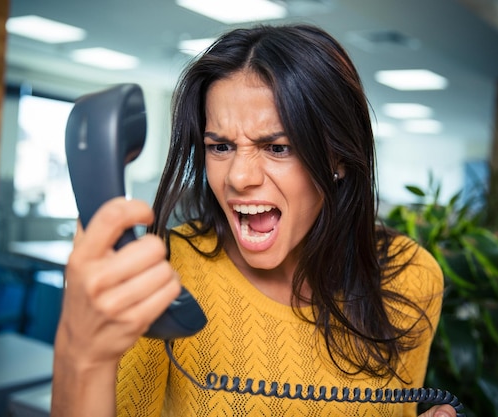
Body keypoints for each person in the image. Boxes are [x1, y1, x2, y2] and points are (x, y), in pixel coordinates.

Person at [51, 24, 457, 417]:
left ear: (338, 158)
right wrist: (81, 355)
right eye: (221, 146)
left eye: (277, 147)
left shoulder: (410, 278)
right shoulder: (164, 277)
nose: (239, 178)